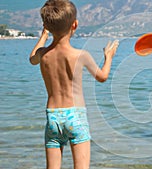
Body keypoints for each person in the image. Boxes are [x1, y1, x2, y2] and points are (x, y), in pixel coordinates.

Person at [29, 0, 119, 168]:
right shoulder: (80, 55)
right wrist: (109, 57)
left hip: (53, 117)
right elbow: (102, 77)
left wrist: (43, 37)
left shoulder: (43, 54)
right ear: (75, 25)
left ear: (46, 26)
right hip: (75, 116)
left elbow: (32, 58)